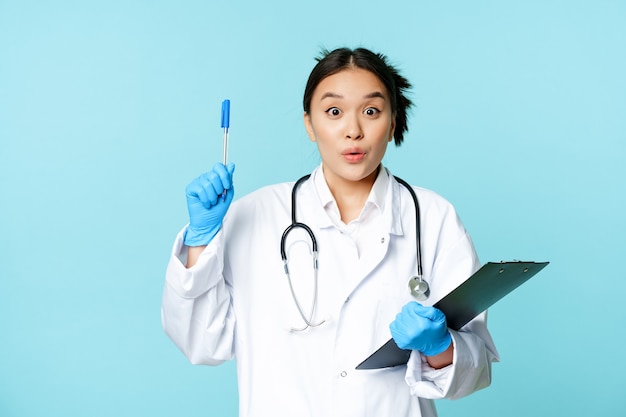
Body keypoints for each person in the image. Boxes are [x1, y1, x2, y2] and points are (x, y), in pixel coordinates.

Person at [161, 47, 499, 417]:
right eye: (334, 112)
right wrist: (200, 241)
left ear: (392, 121)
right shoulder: (256, 215)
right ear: (309, 124)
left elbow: (474, 373)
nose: (353, 130)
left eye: (371, 111)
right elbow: (203, 343)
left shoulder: (433, 217)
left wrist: (439, 347)